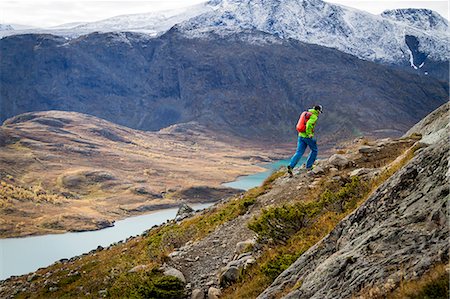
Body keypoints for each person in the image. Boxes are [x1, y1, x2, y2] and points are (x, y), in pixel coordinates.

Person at [287, 105, 323, 177]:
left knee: (299, 152)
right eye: (320, 112)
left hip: (300, 135)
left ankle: (291, 166)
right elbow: (309, 124)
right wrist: (309, 134)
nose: (319, 113)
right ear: (318, 111)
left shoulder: (306, 113)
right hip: (307, 136)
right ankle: (309, 166)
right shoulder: (314, 116)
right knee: (314, 150)